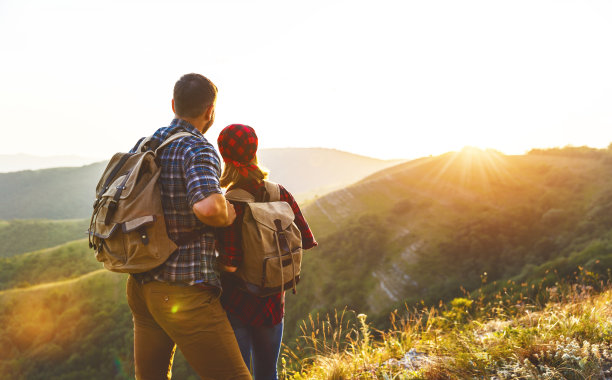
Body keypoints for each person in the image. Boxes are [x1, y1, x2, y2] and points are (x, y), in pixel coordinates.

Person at [125, 74, 251, 379]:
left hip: (142, 284)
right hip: (183, 288)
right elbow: (207, 206)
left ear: (173, 104)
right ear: (210, 111)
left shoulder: (147, 143)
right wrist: (228, 215)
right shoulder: (197, 148)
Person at [216, 124, 318, 380]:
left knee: (239, 374)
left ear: (224, 157)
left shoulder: (229, 202)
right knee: (267, 372)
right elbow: (306, 240)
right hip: (273, 300)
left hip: (237, 303)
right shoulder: (279, 192)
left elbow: (229, 264)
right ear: (254, 150)